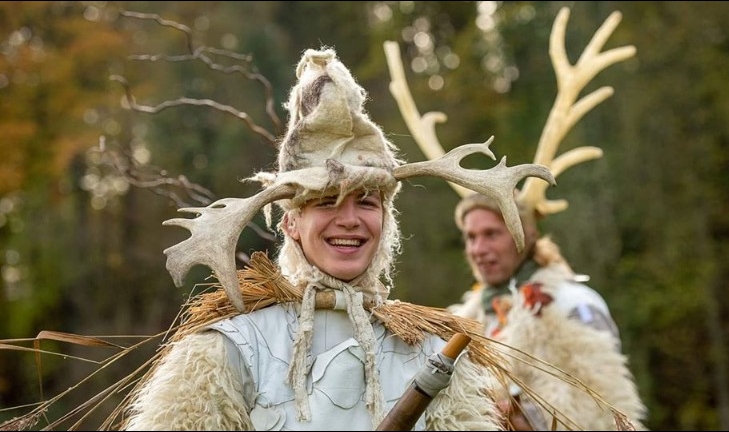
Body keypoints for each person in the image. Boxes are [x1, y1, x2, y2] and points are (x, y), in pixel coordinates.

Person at [118, 47, 552, 431]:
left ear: (387, 219)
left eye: (367, 202)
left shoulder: (432, 352)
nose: (349, 220)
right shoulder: (227, 351)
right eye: (326, 203)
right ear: (290, 223)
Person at [449, 192, 648, 431]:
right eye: (471, 237)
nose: (478, 249)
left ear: (526, 236)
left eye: (491, 234)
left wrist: (521, 419)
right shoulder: (467, 320)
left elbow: (602, 412)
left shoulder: (571, 303)